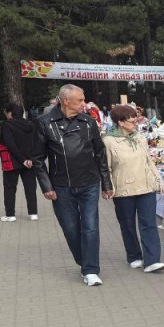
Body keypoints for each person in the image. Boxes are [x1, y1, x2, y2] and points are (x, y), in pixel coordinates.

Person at [34, 84, 113, 286]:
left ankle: (91, 269)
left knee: (90, 227)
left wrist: (106, 183)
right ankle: (83, 261)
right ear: (65, 101)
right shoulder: (44, 123)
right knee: (70, 228)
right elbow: (37, 159)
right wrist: (46, 186)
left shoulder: (88, 122)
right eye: (79, 100)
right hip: (60, 186)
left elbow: (100, 153)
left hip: (89, 183)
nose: (83, 103)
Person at [104, 105, 164, 273]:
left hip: (146, 187)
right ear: (120, 122)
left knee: (149, 224)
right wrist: (108, 187)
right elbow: (106, 167)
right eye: (132, 121)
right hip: (123, 189)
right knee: (128, 225)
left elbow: (148, 160)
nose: (135, 124)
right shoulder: (108, 141)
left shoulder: (140, 138)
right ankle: (134, 256)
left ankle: (153, 260)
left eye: (136, 120)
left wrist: (157, 179)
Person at [0, 103, 42, 222]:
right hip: (29, 162)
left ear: (10, 113)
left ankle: (10, 215)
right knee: (31, 188)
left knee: (10, 188)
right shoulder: (31, 124)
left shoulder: (7, 125)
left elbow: (10, 144)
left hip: (12, 162)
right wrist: (30, 159)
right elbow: (37, 143)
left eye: (7, 112)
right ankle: (33, 213)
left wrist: (22, 160)